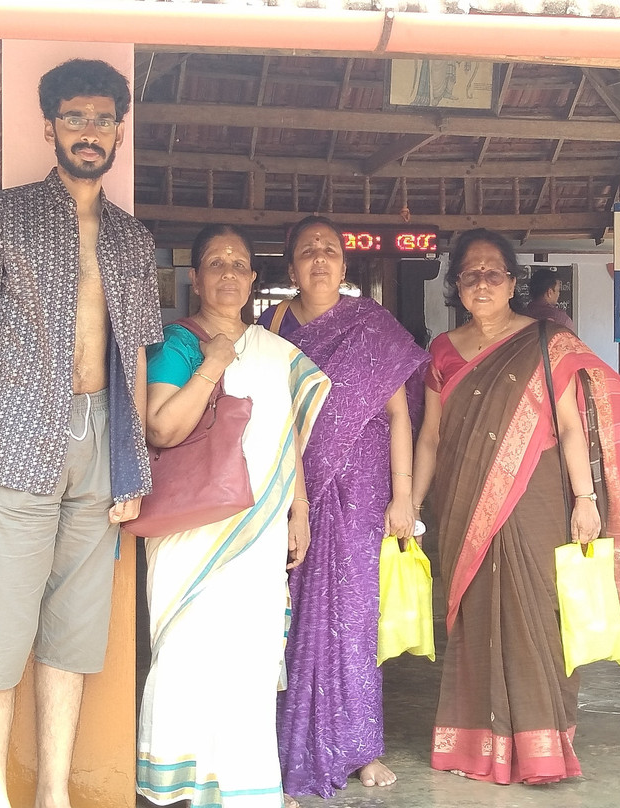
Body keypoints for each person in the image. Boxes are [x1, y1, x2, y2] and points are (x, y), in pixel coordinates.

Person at [0, 58, 161, 808]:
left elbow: (134, 354)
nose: (90, 131)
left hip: (103, 445)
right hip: (12, 440)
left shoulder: (135, 239)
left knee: (73, 633)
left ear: (120, 132)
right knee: (3, 632)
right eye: (75, 117)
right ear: (49, 127)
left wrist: (134, 468)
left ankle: (56, 794)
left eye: (103, 119)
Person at [411, 228, 620, 785]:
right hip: (463, 500)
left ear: (513, 281)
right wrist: (413, 502)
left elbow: (570, 429)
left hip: (535, 496)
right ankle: (478, 745)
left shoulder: (545, 341)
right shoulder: (443, 352)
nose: (482, 281)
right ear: (456, 286)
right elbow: (430, 437)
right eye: (470, 273)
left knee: (538, 612)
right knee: (475, 618)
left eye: (494, 271)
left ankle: (543, 747)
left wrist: (586, 499)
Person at [136, 224, 331, 808]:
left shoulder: (280, 354)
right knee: (186, 654)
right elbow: (162, 427)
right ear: (195, 278)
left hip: (261, 530)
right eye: (214, 263)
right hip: (189, 531)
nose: (227, 273)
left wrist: (299, 510)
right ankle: (178, 788)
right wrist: (214, 361)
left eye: (238, 264)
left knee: (247, 658)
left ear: (253, 279)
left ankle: (246, 789)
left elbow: (289, 437)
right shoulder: (177, 342)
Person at [260, 215, 429, 798]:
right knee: (290, 618)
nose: (320, 260)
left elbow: (399, 414)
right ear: (291, 268)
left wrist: (403, 496)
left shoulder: (371, 326)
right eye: (307, 251)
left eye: (329, 250)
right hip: (291, 492)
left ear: (344, 263)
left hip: (363, 496)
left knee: (356, 620)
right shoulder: (271, 329)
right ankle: (286, 746)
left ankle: (360, 750)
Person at [523, 267, 575, 331]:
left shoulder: (520, 315)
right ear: (549, 292)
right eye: (558, 290)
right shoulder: (562, 320)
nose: (558, 294)